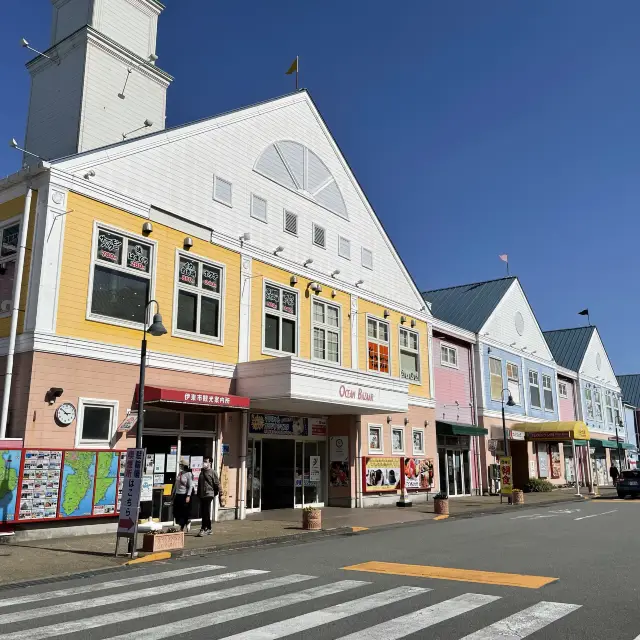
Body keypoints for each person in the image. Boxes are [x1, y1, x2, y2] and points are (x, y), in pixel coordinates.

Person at [197, 456, 220, 537]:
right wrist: (198, 493)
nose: (204, 463)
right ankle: (209, 528)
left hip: (209, 493)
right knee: (204, 511)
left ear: (210, 463)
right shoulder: (202, 472)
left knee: (205, 510)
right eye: (204, 461)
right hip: (202, 494)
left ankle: (203, 528)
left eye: (206, 461)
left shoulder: (213, 472)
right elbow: (199, 483)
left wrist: (218, 493)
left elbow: (217, 483)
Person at [172, 462, 193, 531]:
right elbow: (176, 484)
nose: (180, 466)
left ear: (185, 466)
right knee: (177, 511)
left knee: (184, 511)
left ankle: (183, 526)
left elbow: (190, 486)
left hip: (184, 494)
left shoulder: (189, 474)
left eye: (181, 465)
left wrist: (188, 496)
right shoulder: (180, 473)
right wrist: (173, 493)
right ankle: (185, 522)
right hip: (178, 494)